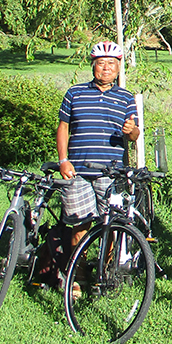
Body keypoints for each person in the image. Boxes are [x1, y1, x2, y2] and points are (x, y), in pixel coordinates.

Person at [57, 41, 140, 254]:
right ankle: (79, 272)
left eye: (111, 63)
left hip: (110, 171)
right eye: (101, 63)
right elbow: (63, 127)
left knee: (110, 224)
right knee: (80, 225)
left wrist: (130, 130)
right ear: (93, 65)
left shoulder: (125, 97)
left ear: (119, 67)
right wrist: (63, 161)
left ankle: (104, 273)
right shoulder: (75, 93)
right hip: (78, 170)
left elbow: (135, 135)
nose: (106, 67)